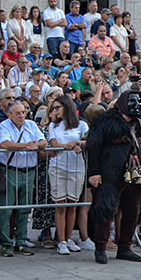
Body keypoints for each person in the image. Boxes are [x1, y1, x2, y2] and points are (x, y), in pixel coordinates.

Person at [85, 86, 141, 264]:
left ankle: (125, 247)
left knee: (133, 211)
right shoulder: (105, 121)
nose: (135, 106)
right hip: (109, 172)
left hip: (136, 173)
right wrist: (94, 173)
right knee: (105, 210)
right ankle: (100, 248)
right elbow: (93, 147)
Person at [0, 100, 45, 257]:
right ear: (9, 114)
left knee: (25, 208)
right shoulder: (4, 125)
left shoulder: (31, 125)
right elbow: (4, 144)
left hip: (29, 171)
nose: (22, 115)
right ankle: (6, 243)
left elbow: (43, 141)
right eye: (18, 113)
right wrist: (26, 146)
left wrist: (38, 145)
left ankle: (22, 241)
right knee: (6, 208)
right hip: (11, 170)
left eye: (23, 112)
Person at [46, 95, 88, 255]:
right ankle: (61, 240)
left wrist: (78, 143)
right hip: (58, 166)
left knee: (72, 204)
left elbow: (90, 140)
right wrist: (69, 145)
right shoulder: (53, 126)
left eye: (57, 107)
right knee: (60, 204)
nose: (55, 110)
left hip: (76, 167)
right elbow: (54, 144)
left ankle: (69, 238)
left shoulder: (81, 125)